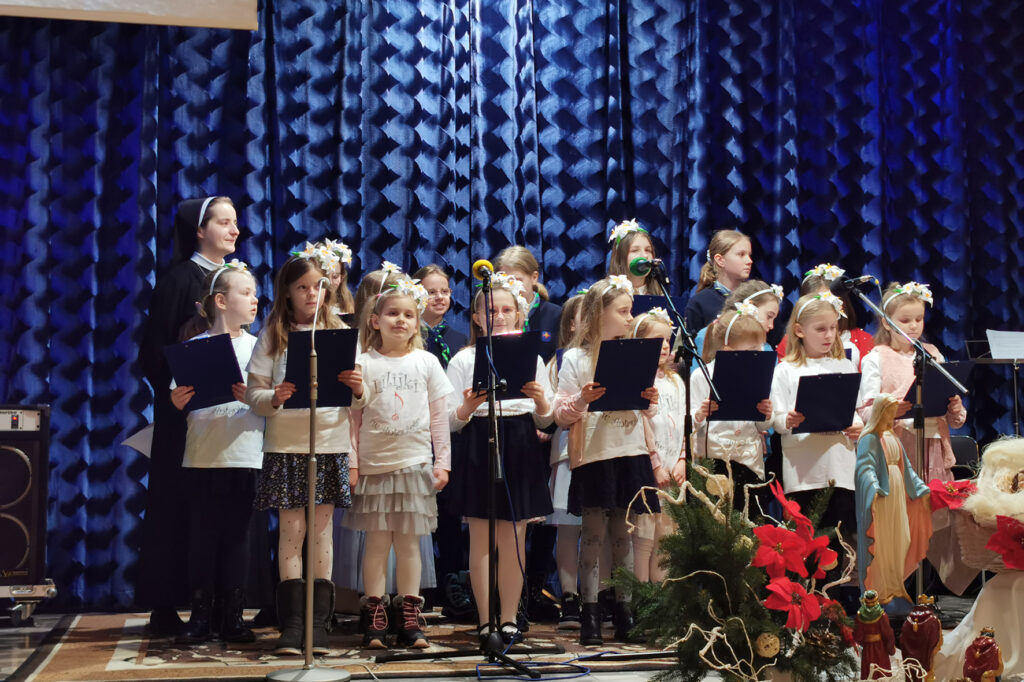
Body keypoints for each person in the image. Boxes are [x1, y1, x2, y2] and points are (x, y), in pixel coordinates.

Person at [245, 246, 367, 655]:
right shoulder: (274, 333)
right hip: (286, 446)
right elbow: (253, 392)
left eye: (318, 286)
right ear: (288, 291)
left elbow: (364, 396)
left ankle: (319, 623)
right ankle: (293, 625)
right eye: (303, 287)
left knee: (321, 534)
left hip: (329, 444)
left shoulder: (339, 329)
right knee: (292, 533)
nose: (312, 294)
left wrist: (357, 387)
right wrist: (274, 398)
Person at [138, 196, 240, 635]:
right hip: (185, 414)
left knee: (222, 513)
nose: (234, 230)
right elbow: (155, 350)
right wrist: (179, 390)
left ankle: (222, 603)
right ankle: (166, 604)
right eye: (224, 222)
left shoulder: (233, 279)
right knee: (177, 508)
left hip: (228, 417)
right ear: (199, 231)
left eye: (235, 223)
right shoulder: (181, 279)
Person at [445, 273, 555, 646]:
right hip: (479, 440)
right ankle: (484, 620)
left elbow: (546, 418)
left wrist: (541, 400)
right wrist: (467, 406)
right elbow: (449, 421)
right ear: (476, 317)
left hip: (520, 441)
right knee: (481, 540)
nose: (500, 315)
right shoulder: (464, 359)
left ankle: (508, 619)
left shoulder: (533, 358)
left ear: (520, 314)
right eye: (491, 310)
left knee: (513, 538)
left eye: (508, 309)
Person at [345, 277, 454, 649]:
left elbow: (440, 417)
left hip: (414, 464)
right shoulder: (363, 363)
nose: (401, 320)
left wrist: (443, 462)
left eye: (409, 314)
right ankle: (375, 617)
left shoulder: (427, 362)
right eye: (392, 313)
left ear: (417, 321)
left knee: (408, 544)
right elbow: (352, 418)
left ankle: (409, 616)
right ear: (375, 320)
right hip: (375, 465)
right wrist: (352, 463)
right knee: (376, 543)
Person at [553, 276, 660, 646]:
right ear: (600, 314)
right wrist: (583, 399)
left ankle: (625, 611)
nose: (631, 319)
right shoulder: (577, 359)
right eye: (624, 312)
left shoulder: (635, 353)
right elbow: (561, 414)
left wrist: (649, 397)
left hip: (629, 451)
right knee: (594, 535)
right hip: (595, 455)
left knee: (624, 536)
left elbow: (646, 409)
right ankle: (590, 613)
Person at [170, 261, 264, 645]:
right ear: (221, 301)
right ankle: (200, 614)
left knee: (238, 537)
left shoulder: (260, 348)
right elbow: (181, 396)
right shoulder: (193, 348)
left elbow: (272, 400)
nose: (254, 299)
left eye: (255, 293)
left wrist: (256, 398)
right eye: (246, 293)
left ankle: (233, 615)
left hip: (244, 455)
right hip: (203, 456)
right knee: (203, 538)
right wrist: (178, 401)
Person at [769, 291, 862, 611]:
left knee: (837, 539)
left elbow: (855, 411)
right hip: (804, 468)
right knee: (807, 540)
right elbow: (776, 418)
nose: (829, 335)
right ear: (799, 330)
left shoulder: (844, 364)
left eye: (833, 328)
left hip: (839, 465)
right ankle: (805, 605)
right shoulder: (786, 369)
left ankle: (832, 605)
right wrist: (788, 419)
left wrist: (857, 425)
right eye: (820, 329)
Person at [857, 281, 966, 483]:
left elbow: (955, 421)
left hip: (934, 446)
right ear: (887, 323)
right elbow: (865, 412)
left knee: (935, 508)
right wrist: (889, 410)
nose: (914, 325)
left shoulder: (932, 353)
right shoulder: (876, 358)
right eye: (905, 320)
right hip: (896, 447)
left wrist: (955, 407)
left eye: (919, 318)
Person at [691, 302, 774, 514]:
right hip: (715, 463)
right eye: (751, 350)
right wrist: (700, 414)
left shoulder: (760, 375)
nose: (758, 355)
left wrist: (766, 413)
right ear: (728, 350)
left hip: (750, 462)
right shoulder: (703, 376)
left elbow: (763, 424)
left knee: (752, 523)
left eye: (760, 349)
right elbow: (691, 422)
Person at [855, 394, 932, 604]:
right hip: (882, 497)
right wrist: (873, 487)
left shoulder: (892, 436)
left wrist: (921, 489)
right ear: (881, 411)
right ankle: (879, 590)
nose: (892, 415)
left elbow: (906, 468)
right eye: (889, 411)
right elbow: (864, 467)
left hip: (897, 493)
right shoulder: (869, 437)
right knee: (882, 542)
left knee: (901, 538)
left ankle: (895, 586)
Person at [630, 308, 686, 583]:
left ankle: (661, 601)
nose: (664, 346)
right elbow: (640, 426)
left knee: (667, 537)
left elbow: (682, 423)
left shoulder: (676, 381)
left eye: (667, 340)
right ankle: (641, 598)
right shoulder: (639, 380)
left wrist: (682, 460)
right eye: (657, 340)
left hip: (672, 467)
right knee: (644, 537)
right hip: (649, 468)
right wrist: (655, 464)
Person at [545, 294, 585, 628]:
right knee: (570, 529)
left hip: (602, 451)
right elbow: (550, 412)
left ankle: (599, 596)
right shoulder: (558, 363)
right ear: (571, 324)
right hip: (568, 453)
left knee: (600, 528)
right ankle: (569, 596)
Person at [776, 263, 873, 368]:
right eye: (819, 301)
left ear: (842, 302)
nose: (826, 306)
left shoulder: (864, 341)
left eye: (832, 300)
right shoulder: (789, 344)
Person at [494, 245, 562, 361]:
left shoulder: (556, 314)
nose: (512, 287)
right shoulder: (494, 315)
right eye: (506, 281)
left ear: (534, 277)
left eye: (518, 280)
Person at [682, 229, 752, 332]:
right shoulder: (700, 303)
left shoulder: (755, 298)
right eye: (741, 254)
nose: (749, 261)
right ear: (720, 260)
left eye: (749, 255)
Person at [413, 264, 466, 370]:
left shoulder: (461, 340)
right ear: (416, 295)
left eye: (445, 291)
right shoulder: (408, 337)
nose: (440, 297)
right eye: (431, 292)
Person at [606, 219, 666, 296]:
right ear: (619, 258)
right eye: (635, 250)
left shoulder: (662, 296)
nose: (644, 256)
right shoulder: (604, 295)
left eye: (648, 250)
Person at [899, 594, 943, 682]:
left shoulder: (908, 620)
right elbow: (938, 643)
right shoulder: (933, 620)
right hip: (926, 660)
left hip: (909, 660)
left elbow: (902, 640)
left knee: (911, 675)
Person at [853, 590, 896, 680]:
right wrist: (891, 649)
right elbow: (888, 634)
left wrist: (863, 642)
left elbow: (857, 636)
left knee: (868, 672)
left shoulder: (859, 615)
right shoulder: (882, 615)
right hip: (880, 649)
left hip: (867, 649)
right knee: (881, 672)